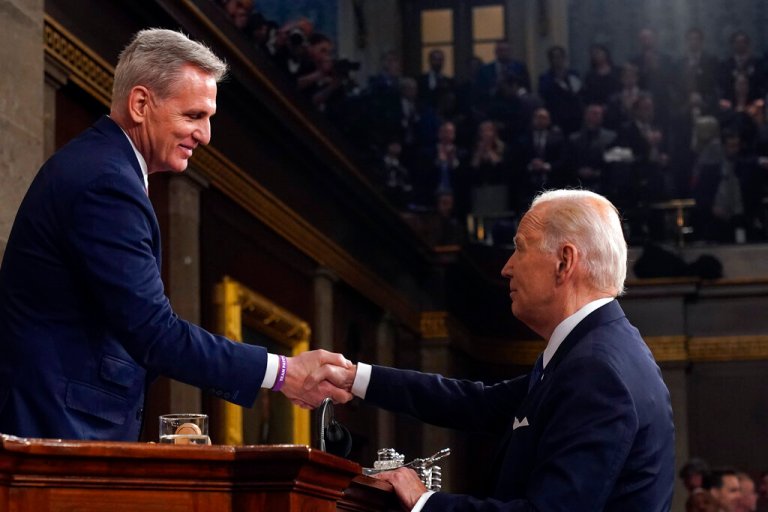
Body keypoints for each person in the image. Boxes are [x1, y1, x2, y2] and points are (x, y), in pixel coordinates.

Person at [0, 28, 351, 441]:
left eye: (208, 118)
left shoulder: (106, 168)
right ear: (140, 104)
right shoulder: (105, 182)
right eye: (193, 116)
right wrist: (283, 373)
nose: (205, 135)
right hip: (51, 434)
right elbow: (156, 333)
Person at [310, 189, 676, 511]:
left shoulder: (595, 369)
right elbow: (476, 403)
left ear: (564, 262)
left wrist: (424, 502)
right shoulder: (594, 351)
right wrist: (354, 377)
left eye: (519, 248)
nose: (506, 268)